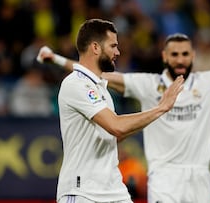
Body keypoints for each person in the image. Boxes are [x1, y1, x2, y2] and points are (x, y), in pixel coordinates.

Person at [37, 33, 210, 203]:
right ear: (164, 56)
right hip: (164, 175)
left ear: (193, 55)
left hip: (199, 176)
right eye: (174, 54)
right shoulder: (147, 84)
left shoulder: (209, 81)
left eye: (185, 54)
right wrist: (58, 60)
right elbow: (96, 73)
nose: (180, 59)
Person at [54, 19, 184, 203]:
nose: (118, 52)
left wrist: (151, 116)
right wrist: (161, 108)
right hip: (83, 192)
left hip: (113, 188)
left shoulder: (101, 89)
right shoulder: (76, 84)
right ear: (96, 47)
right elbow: (116, 126)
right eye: (113, 46)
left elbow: (113, 135)